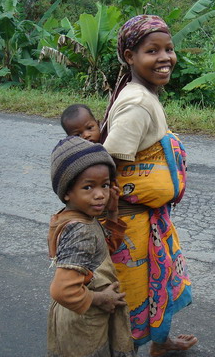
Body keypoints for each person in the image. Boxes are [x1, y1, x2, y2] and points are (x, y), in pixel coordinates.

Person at [99, 15, 196, 356]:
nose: (165, 57)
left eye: (168, 49)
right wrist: (111, 215)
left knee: (153, 284)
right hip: (129, 225)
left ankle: (160, 342)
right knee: (133, 294)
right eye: (152, 50)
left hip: (147, 220)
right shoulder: (138, 102)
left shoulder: (144, 94)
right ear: (129, 56)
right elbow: (107, 164)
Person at [47, 136, 135, 357]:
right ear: (67, 191)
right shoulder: (80, 231)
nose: (100, 195)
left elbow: (102, 252)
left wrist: (113, 213)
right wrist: (101, 299)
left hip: (77, 315)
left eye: (105, 185)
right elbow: (62, 290)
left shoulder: (74, 217)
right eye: (88, 187)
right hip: (85, 320)